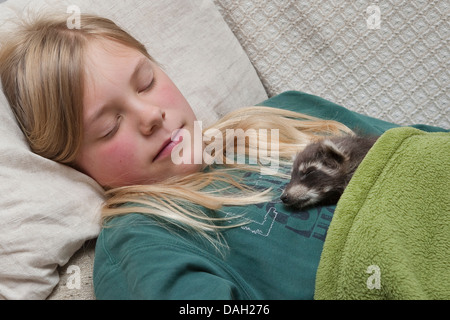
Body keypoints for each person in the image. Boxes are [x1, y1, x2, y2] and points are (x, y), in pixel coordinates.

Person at [0, 13, 417, 299]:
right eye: (108, 127)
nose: (151, 116)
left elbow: (413, 151)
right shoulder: (141, 237)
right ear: (70, 165)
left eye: (146, 83)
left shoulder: (285, 113)